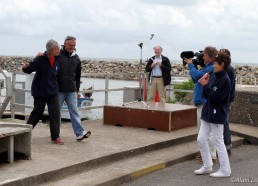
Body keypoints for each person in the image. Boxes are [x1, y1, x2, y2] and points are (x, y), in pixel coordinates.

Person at [195, 51, 232, 177]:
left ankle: (225, 170)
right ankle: (207, 165)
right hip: (208, 112)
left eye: (215, 63)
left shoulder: (225, 80)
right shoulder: (215, 75)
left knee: (218, 141)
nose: (213, 65)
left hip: (217, 114)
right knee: (201, 139)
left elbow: (216, 97)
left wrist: (205, 86)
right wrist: (205, 84)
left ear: (222, 64)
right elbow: (207, 94)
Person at [22, 39, 64, 145]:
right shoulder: (40, 59)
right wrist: (25, 67)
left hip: (53, 92)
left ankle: (55, 137)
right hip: (40, 92)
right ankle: (24, 134)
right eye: (56, 48)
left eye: (58, 48)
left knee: (55, 114)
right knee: (36, 114)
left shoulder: (58, 59)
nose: (58, 50)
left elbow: (57, 75)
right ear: (50, 50)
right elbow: (28, 69)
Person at [184, 46, 218, 163]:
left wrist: (190, 65)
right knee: (207, 131)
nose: (202, 57)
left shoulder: (211, 68)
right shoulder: (209, 67)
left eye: (204, 55)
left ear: (210, 56)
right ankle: (208, 155)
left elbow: (198, 76)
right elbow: (196, 79)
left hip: (204, 102)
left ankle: (210, 157)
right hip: (203, 102)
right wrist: (193, 67)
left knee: (206, 132)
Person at [58, 36, 91, 141]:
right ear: (65, 44)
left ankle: (79, 133)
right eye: (70, 45)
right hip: (58, 90)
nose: (72, 47)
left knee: (74, 111)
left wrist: (77, 90)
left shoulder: (76, 58)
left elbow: (78, 76)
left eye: (74, 45)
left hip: (72, 90)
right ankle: (55, 133)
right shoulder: (57, 55)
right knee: (56, 112)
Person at [220, 49, 235, 156]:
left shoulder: (228, 70)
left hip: (226, 100)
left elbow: (227, 87)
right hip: (227, 99)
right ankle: (226, 146)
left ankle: (227, 146)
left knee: (224, 123)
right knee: (224, 123)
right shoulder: (229, 69)